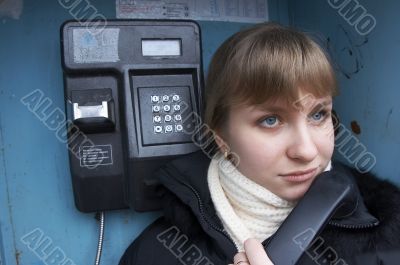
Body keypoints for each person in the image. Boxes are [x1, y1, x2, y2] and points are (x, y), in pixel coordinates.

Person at [119, 22, 400, 265]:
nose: (307, 151)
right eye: (270, 120)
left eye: (318, 114)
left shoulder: (386, 230)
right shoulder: (160, 253)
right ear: (221, 137)